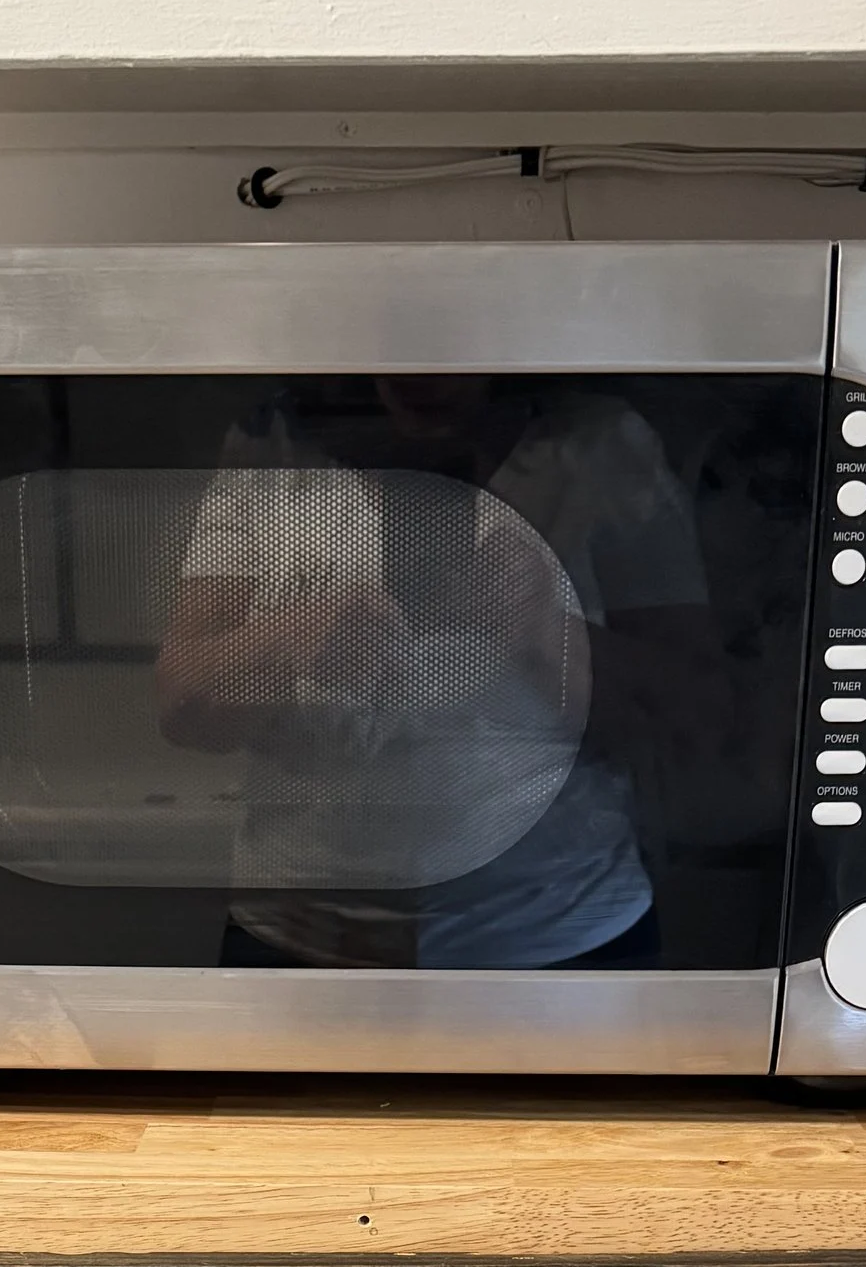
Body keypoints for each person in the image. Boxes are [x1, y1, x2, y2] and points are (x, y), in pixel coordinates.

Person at [155, 380, 727, 970]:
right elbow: (184, 707)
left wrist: (542, 631)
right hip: (301, 932)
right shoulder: (271, 443)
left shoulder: (600, 445)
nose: (428, 378)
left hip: (560, 936)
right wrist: (290, 635)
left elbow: (691, 719)